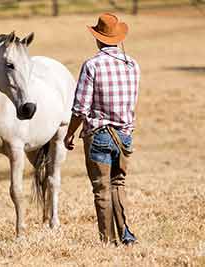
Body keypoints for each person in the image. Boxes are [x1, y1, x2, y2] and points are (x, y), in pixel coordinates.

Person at [64, 13, 140, 246]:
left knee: (101, 188)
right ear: (118, 38)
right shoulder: (133, 64)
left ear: (97, 38)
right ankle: (126, 235)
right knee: (119, 184)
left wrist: (70, 133)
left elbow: (80, 108)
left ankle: (107, 241)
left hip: (99, 135)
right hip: (125, 136)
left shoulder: (92, 65)